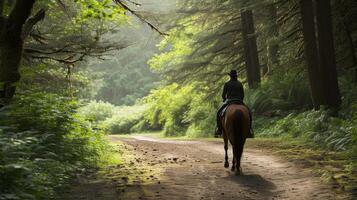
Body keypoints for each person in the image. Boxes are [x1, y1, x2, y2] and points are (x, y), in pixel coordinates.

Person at [215, 70, 254, 138]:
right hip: (239, 100)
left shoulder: (227, 84)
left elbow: (223, 95)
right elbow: (242, 95)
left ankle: (219, 129)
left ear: (230, 76)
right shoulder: (239, 84)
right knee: (249, 112)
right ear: (236, 76)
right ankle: (249, 130)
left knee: (219, 113)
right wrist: (240, 100)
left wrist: (224, 99)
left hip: (229, 101)